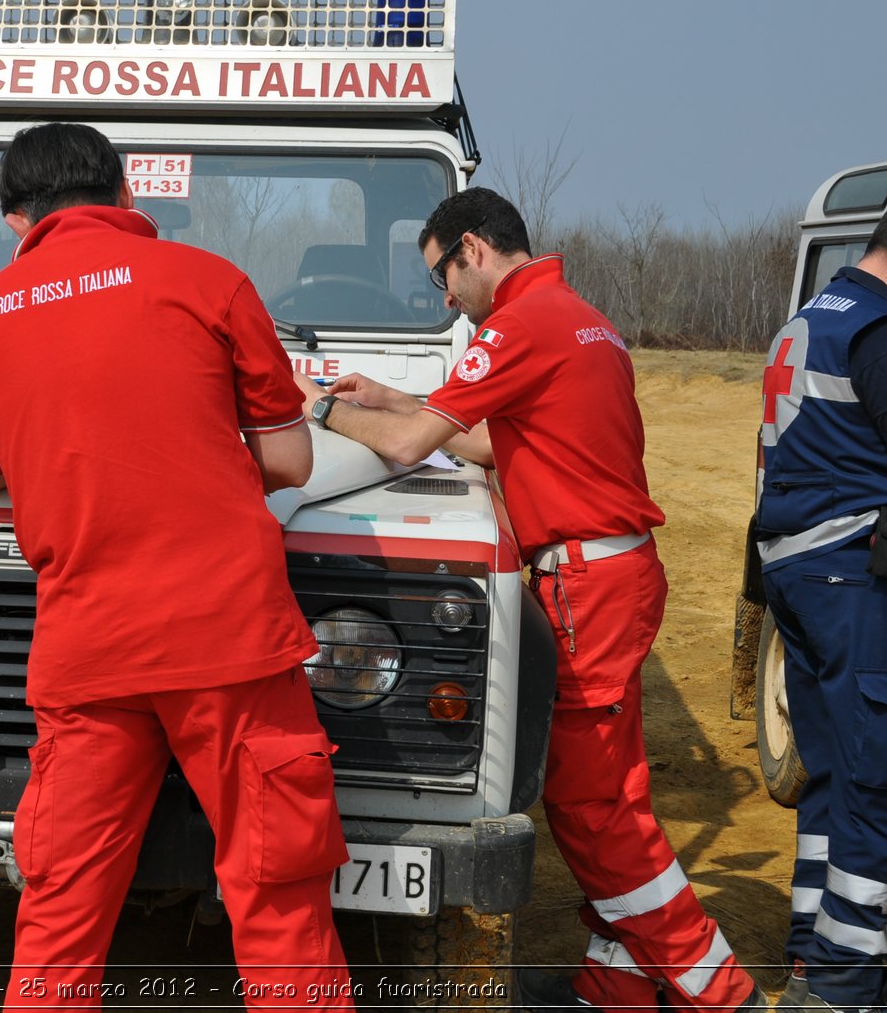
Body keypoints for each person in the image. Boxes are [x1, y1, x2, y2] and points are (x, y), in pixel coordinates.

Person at [293, 187, 766, 1013]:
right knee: (614, 792)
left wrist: (326, 409)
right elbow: (490, 437)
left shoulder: (521, 322)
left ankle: (719, 992)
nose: (443, 297)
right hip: (612, 572)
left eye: (441, 274)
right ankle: (615, 985)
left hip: (587, 582)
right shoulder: (573, 315)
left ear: (472, 248)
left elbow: (413, 448)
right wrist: (393, 398)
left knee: (591, 808)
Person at [0, 122, 353, 1008]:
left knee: (60, 912)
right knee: (279, 900)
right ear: (125, 193)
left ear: (16, 219)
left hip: (87, 650)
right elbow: (290, 462)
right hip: (231, 642)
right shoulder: (210, 282)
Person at [756, 188, 887, 1012]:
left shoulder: (813, 316)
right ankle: (840, 984)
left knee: (833, 773)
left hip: (798, 572)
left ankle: (808, 951)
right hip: (865, 577)